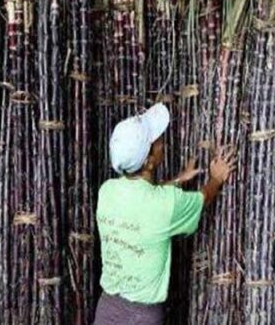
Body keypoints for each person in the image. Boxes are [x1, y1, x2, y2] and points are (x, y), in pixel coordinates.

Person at [93, 103, 237, 325]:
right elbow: (203, 199)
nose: (161, 140)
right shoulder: (166, 204)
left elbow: (143, 200)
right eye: (156, 141)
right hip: (142, 318)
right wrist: (216, 178)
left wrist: (178, 179)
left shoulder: (107, 191)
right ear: (149, 161)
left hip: (107, 308)